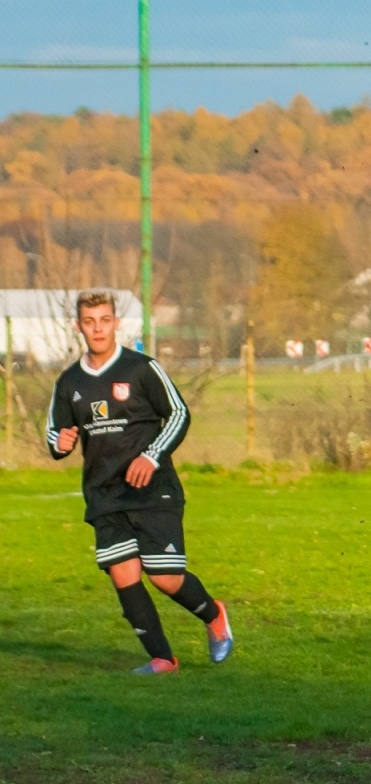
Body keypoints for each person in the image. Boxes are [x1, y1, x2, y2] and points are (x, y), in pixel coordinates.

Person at [46, 289, 234, 674]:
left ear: (115, 323)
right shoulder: (69, 382)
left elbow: (179, 413)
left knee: (164, 576)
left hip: (153, 489)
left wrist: (152, 455)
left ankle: (215, 616)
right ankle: (163, 659)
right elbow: (55, 433)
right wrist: (60, 442)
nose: (97, 328)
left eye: (104, 320)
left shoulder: (141, 368)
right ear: (78, 326)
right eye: (89, 321)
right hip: (105, 493)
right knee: (123, 574)